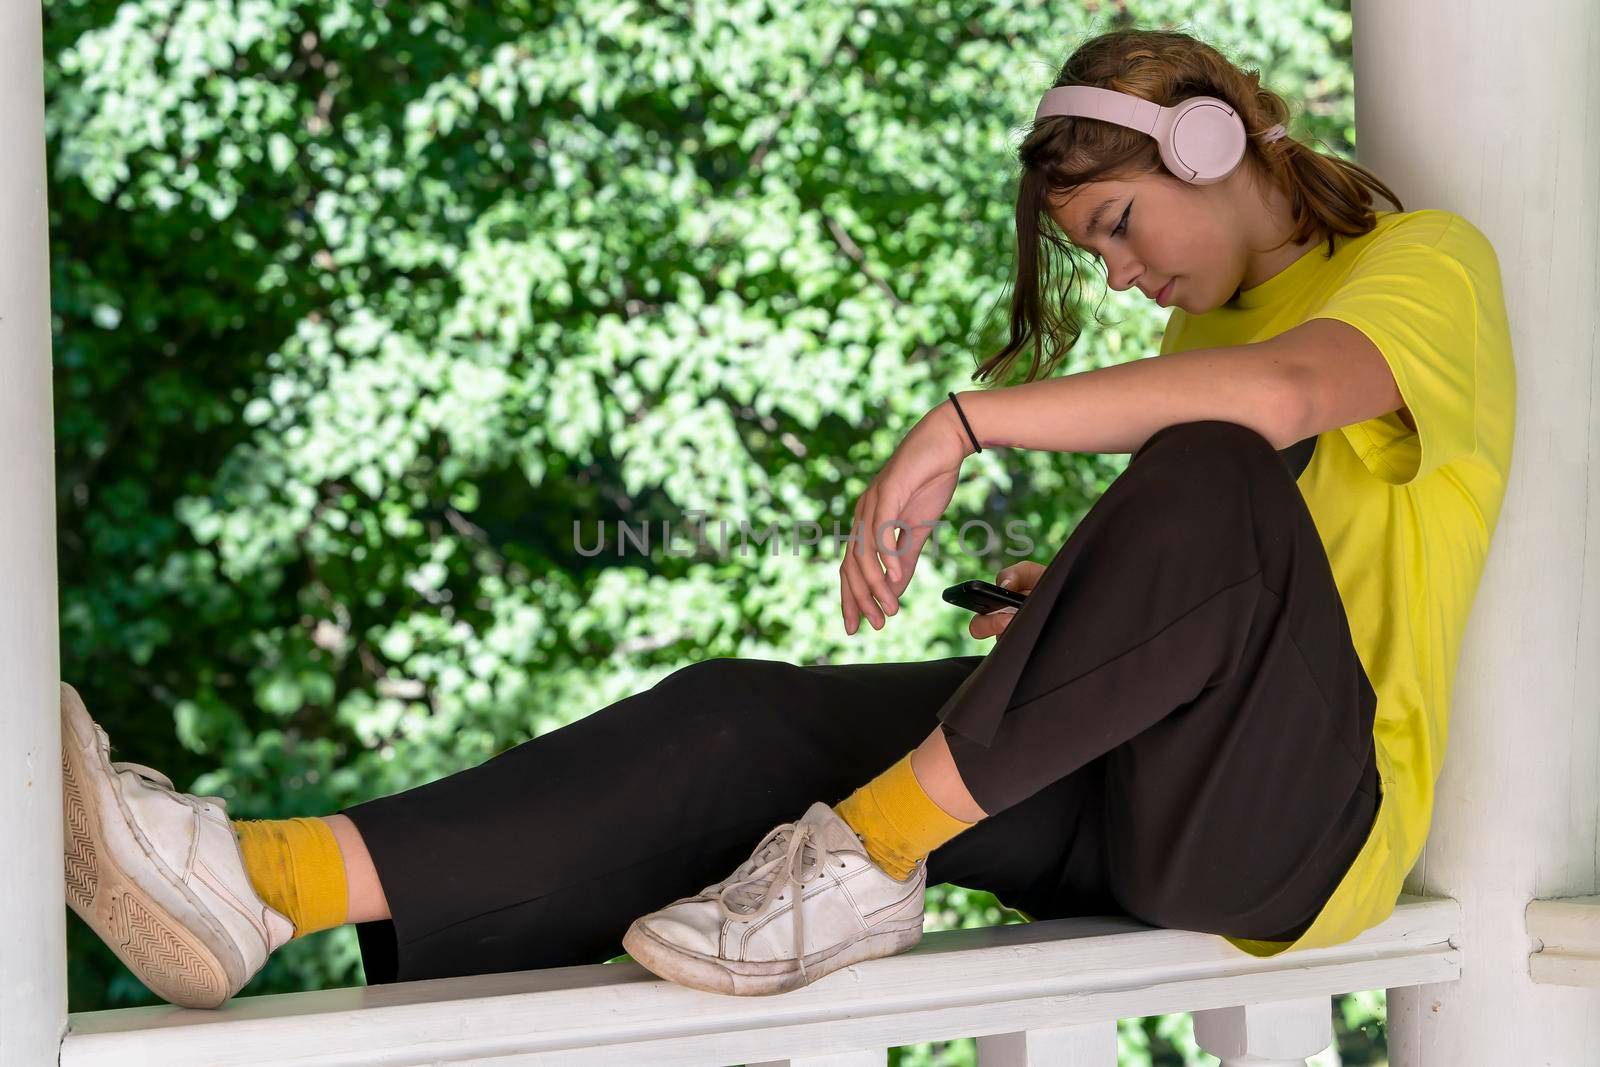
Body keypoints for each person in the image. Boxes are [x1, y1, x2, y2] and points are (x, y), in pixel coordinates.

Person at [61, 26, 1514, 1009]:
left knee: (1206, 471)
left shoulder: (1418, 264)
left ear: (1209, 142)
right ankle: (260, 885)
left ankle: (868, 860)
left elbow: (1275, 411)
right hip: (1139, 801)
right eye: (1096, 256)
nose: (1120, 281)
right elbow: (1212, 561)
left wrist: (965, 419)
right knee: (742, 718)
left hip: (1303, 836)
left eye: (1116, 228)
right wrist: (1061, 605)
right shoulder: (1204, 352)